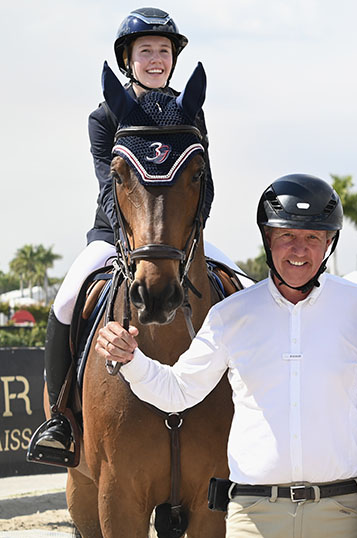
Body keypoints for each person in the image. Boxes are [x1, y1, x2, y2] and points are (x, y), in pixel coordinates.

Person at [96, 174, 357, 538]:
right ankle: (61, 418)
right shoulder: (232, 314)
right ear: (268, 239)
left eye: (313, 238)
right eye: (287, 236)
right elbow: (178, 391)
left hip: (337, 512)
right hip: (255, 515)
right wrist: (131, 360)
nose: (299, 250)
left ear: (329, 243)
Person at [30, 7, 236, 458]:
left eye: (164, 50)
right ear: (128, 59)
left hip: (179, 240)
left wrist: (192, 234)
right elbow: (109, 186)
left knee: (241, 285)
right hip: (116, 235)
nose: (156, 59)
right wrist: (129, 241)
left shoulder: (189, 111)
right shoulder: (105, 117)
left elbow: (204, 181)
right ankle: (59, 419)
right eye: (146, 51)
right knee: (67, 298)